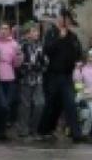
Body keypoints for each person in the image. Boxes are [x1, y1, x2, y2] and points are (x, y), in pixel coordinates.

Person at [35, 10, 83, 143]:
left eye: (69, 20)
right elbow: (47, 50)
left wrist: (78, 61)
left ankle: (76, 133)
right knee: (52, 105)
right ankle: (44, 129)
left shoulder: (73, 36)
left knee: (70, 103)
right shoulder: (51, 33)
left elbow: (78, 51)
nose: (67, 23)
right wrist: (59, 39)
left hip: (67, 75)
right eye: (65, 19)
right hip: (52, 75)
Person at [0, 22, 22, 137]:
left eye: (6, 29)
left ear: (9, 31)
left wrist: (19, 56)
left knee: (7, 105)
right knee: (1, 104)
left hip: (9, 76)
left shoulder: (14, 44)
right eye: (1, 29)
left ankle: (1, 129)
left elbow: (17, 64)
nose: (3, 31)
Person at [15, 23, 46, 138]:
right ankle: (23, 129)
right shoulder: (21, 45)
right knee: (25, 105)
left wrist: (41, 67)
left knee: (40, 103)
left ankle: (34, 128)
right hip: (25, 79)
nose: (36, 33)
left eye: (37, 31)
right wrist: (27, 67)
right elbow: (18, 63)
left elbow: (45, 61)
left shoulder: (40, 45)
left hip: (37, 79)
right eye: (34, 31)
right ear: (28, 33)